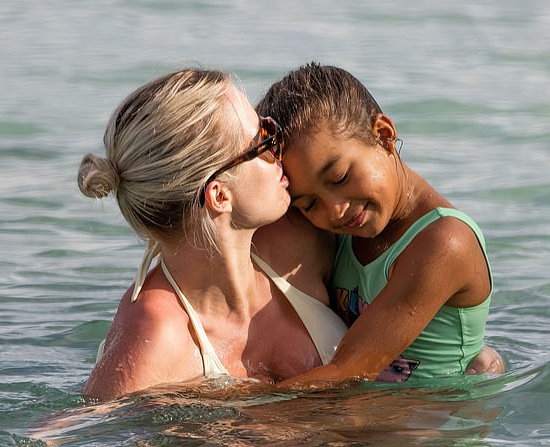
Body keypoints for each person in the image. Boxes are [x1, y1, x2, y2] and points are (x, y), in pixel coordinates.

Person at [78, 68, 348, 401]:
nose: (279, 151)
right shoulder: (157, 333)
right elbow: (77, 437)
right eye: (263, 141)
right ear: (219, 196)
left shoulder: (301, 239)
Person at [256, 63, 502, 385]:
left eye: (340, 177)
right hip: (369, 415)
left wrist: (232, 407)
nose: (336, 210)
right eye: (310, 203)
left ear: (384, 136)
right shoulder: (338, 232)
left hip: (433, 428)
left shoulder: (444, 242)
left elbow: (348, 371)